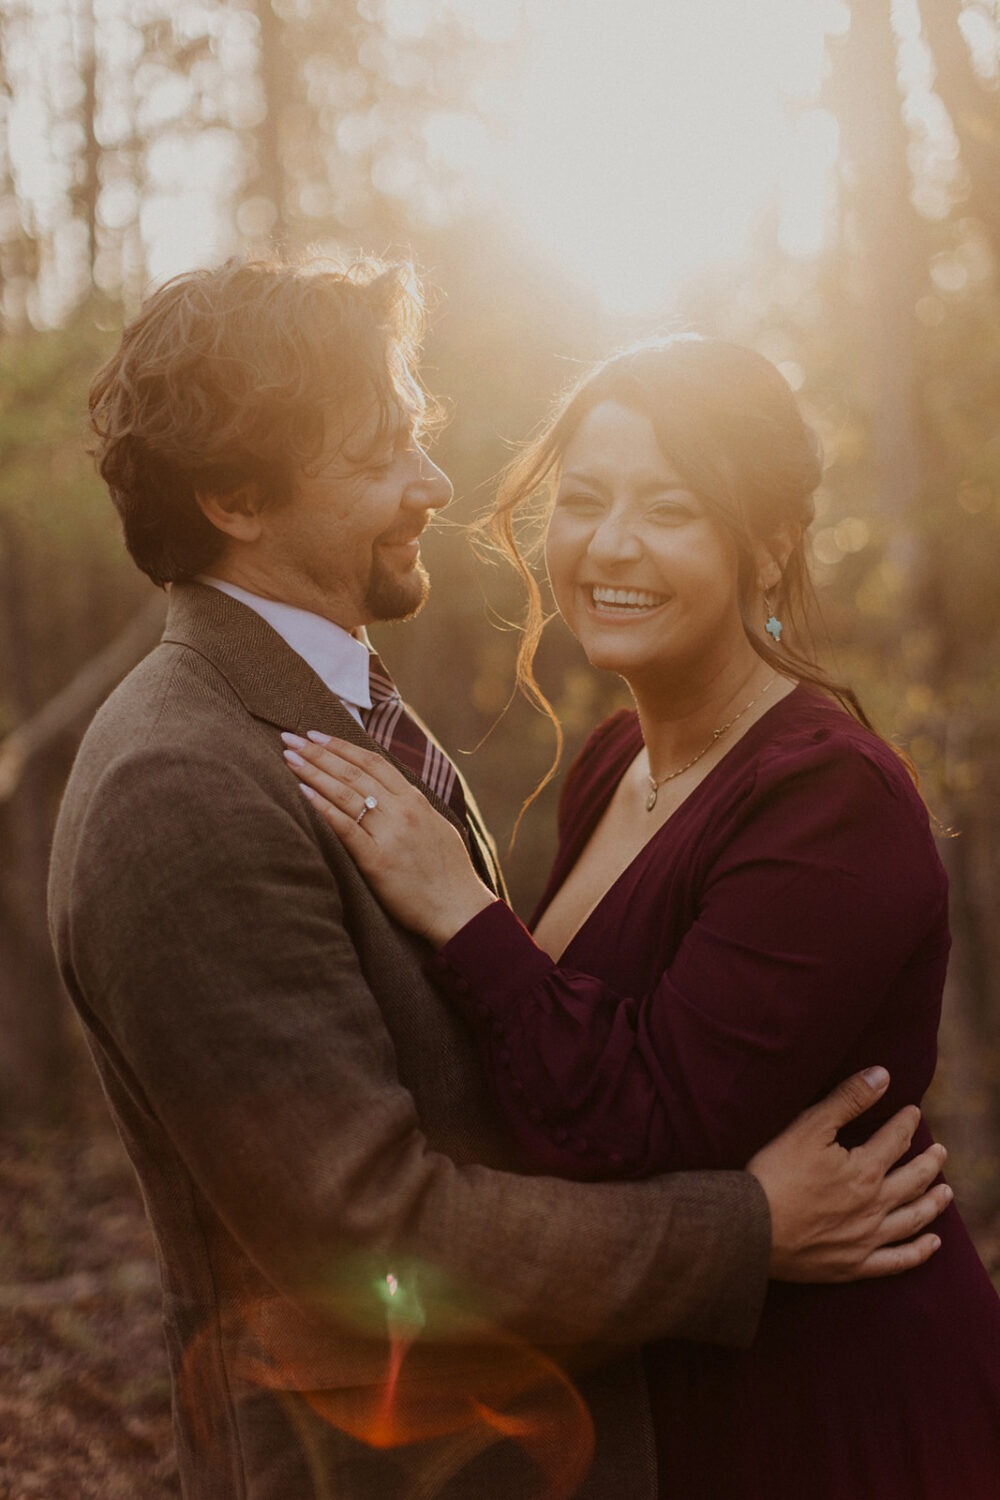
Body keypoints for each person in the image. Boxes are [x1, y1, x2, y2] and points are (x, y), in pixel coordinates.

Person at [48, 264, 949, 1500]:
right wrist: (744, 1231)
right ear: (235, 496)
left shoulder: (334, 706)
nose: (432, 484)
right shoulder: (181, 780)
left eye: (414, 436)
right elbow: (366, 1237)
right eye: (380, 456)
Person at [286, 333, 1000, 1499]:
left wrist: (462, 911)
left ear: (768, 545)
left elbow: (638, 1119)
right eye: (584, 500)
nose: (609, 545)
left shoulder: (830, 798)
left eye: (669, 507)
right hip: (662, 1392)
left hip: (837, 1406)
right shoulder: (617, 758)